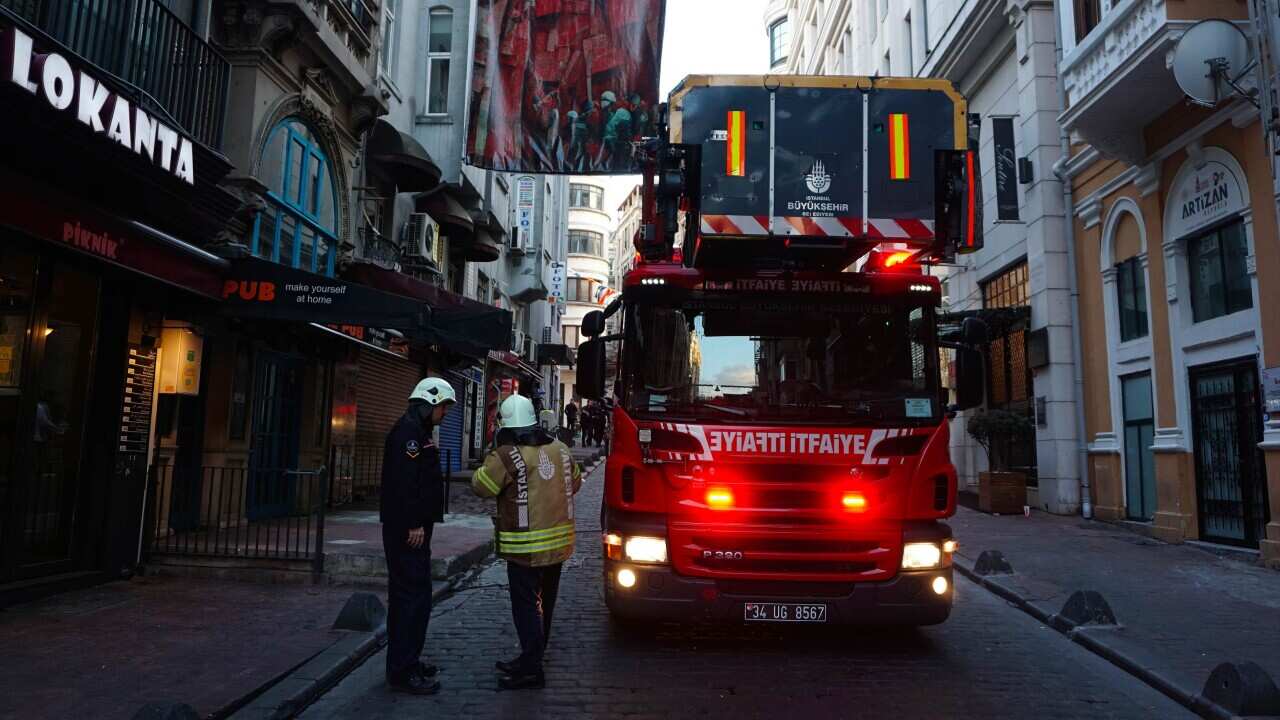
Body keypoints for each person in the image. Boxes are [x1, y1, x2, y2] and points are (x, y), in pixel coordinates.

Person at [472, 394, 582, 690]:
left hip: (524, 550)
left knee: (526, 607)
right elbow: (576, 482)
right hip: (557, 547)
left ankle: (532, 668)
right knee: (546, 602)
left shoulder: (507, 455)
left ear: (505, 425)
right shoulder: (561, 449)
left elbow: (482, 486)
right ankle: (531, 657)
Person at [380, 377, 456, 695]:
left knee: (415, 597)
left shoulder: (417, 431)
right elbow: (403, 483)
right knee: (411, 599)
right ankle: (403, 669)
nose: (444, 414)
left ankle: (407, 662)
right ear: (428, 403)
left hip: (416, 529)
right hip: (407, 531)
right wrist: (413, 522)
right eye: (442, 408)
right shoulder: (408, 435)